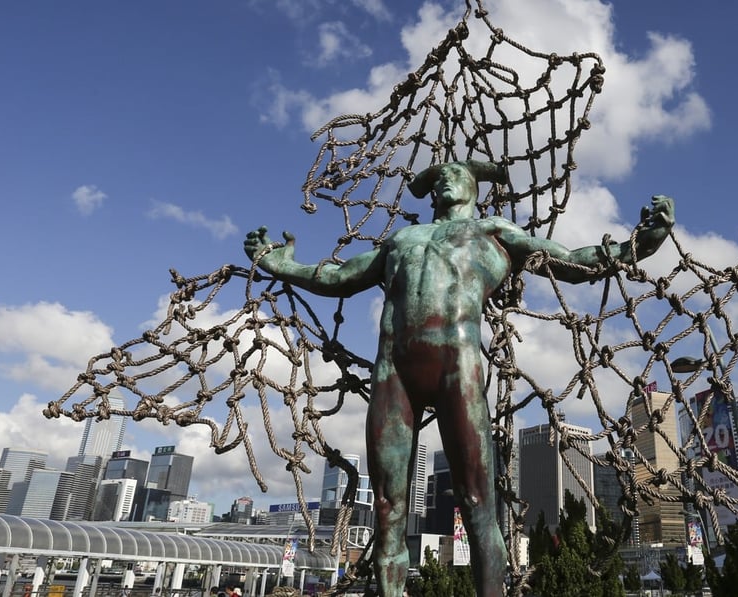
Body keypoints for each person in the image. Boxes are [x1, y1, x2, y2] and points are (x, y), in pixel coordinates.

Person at [244, 160, 674, 597]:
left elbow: (569, 261)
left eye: (455, 173)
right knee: (389, 509)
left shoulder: (495, 232)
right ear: (431, 195)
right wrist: (283, 266)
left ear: (474, 186)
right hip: (394, 371)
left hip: (458, 368)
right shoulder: (402, 239)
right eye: (438, 178)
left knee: (477, 505)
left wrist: (638, 245)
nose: (445, 179)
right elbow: (339, 277)